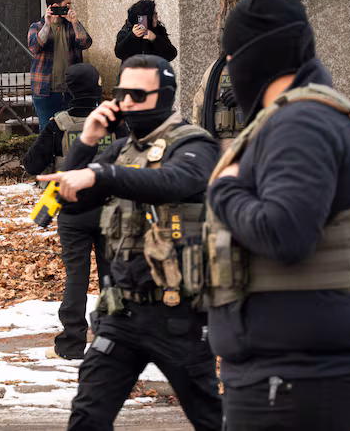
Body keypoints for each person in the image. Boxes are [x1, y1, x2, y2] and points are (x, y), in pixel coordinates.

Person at [206, 0, 350, 431]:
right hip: (293, 373)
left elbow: (285, 232)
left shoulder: (300, 123)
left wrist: (224, 189)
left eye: (230, 58)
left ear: (255, 56)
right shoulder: (307, 115)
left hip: (295, 378)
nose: (228, 69)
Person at [39, 55, 223, 431]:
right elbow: (67, 200)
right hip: (121, 313)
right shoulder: (122, 151)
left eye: (138, 95)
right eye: (122, 93)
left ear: (164, 96)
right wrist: (87, 142)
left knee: (211, 420)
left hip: (178, 315)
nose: (127, 103)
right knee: (87, 418)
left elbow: (173, 182)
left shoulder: (194, 145)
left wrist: (101, 174)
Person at [23, 64, 126, 360]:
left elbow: (32, 164)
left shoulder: (58, 125)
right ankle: (113, 341)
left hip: (73, 213)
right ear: (96, 87)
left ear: (69, 89)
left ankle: (70, 345)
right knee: (112, 277)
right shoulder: (113, 122)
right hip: (110, 210)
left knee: (76, 278)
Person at [28, 0, 93, 128]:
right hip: (45, 90)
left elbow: (85, 43)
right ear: (55, 6)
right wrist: (47, 24)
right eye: (67, 4)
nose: (70, 7)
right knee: (47, 130)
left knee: (71, 130)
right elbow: (35, 47)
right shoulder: (37, 26)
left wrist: (75, 22)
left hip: (71, 90)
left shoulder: (71, 26)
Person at [114, 0, 177, 71]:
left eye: (156, 14)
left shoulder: (158, 30)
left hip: (154, 74)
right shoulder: (126, 31)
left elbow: (171, 54)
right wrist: (132, 36)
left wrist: (155, 39)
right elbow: (119, 53)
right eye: (154, 15)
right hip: (132, 74)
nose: (156, 18)